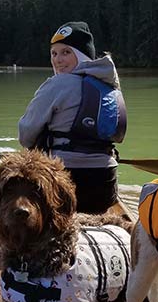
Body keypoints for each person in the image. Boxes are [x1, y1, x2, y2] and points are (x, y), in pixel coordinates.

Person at [18, 21, 127, 213]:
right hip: (106, 184)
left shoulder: (56, 84)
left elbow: (26, 136)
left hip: (64, 183)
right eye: (54, 53)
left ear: (81, 55)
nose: (58, 60)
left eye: (66, 52)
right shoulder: (111, 88)